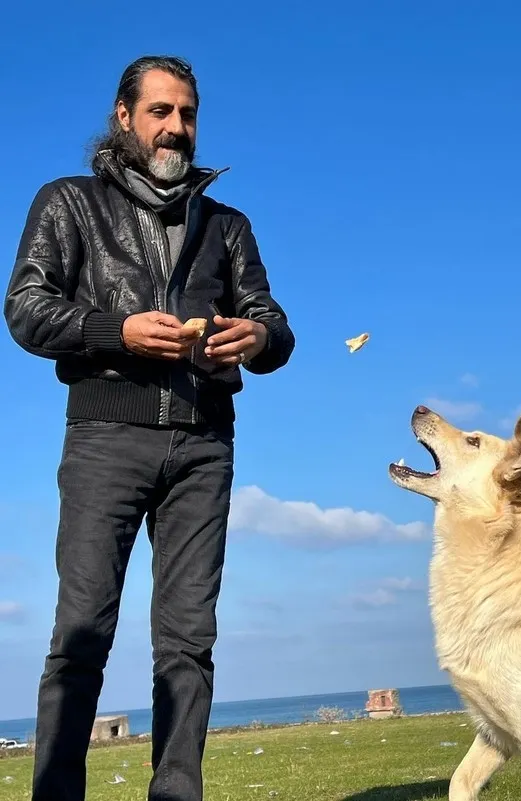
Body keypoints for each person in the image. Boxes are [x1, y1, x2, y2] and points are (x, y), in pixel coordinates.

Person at [3, 55, 295, 801]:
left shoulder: (229, 225)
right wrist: (115, 330)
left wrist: (256, 340)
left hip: (205, 444)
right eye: (161, 111)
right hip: (105, 438)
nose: (176, 127)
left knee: (189, 642)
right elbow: (26, 309)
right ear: (123, 116)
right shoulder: (68, 202)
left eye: (187, 113)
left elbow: (274, 325)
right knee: (81, 635)